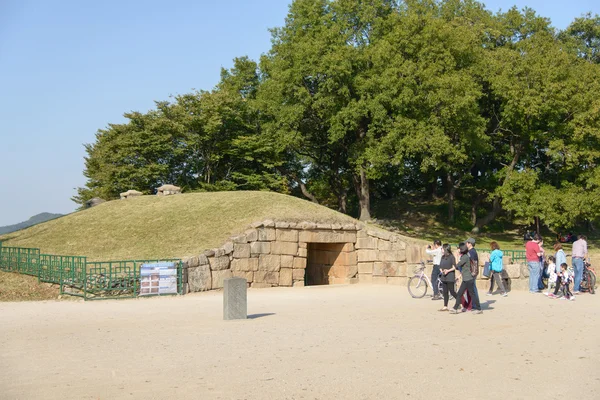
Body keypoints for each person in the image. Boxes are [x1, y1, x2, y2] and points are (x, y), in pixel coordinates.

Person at [450, 243, 482, 314]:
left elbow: (457, 265)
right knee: (460, 293)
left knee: (472, 294)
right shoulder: (466, 255)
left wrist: (455, 258)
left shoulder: (464, 257)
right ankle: (455, 308)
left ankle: (478, 308)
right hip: (466, 279)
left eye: (459, 248)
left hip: (468, 279)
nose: (458, 250)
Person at [438, 244, 457, 311]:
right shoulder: (442, 257)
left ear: (446, 249)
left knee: (452, 291)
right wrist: (442, 271)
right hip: (444, 276)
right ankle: (445, 306)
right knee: (445, 292)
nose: (441, 250)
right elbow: (440, 266)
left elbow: (455, 267)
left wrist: (448, 271)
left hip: (450, 276)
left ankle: (460, 301)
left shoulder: (451, 257)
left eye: (442, 248)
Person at [465, 237, 480, 303]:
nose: (466, 244)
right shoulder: (471, 252)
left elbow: (472, 263)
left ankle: (475, 304)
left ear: (470, 244)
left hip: (472, 273)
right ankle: (474, 304)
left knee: (473, 289)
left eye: (467, 243)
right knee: (472, 288)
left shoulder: (472, 252)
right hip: (471, 272)